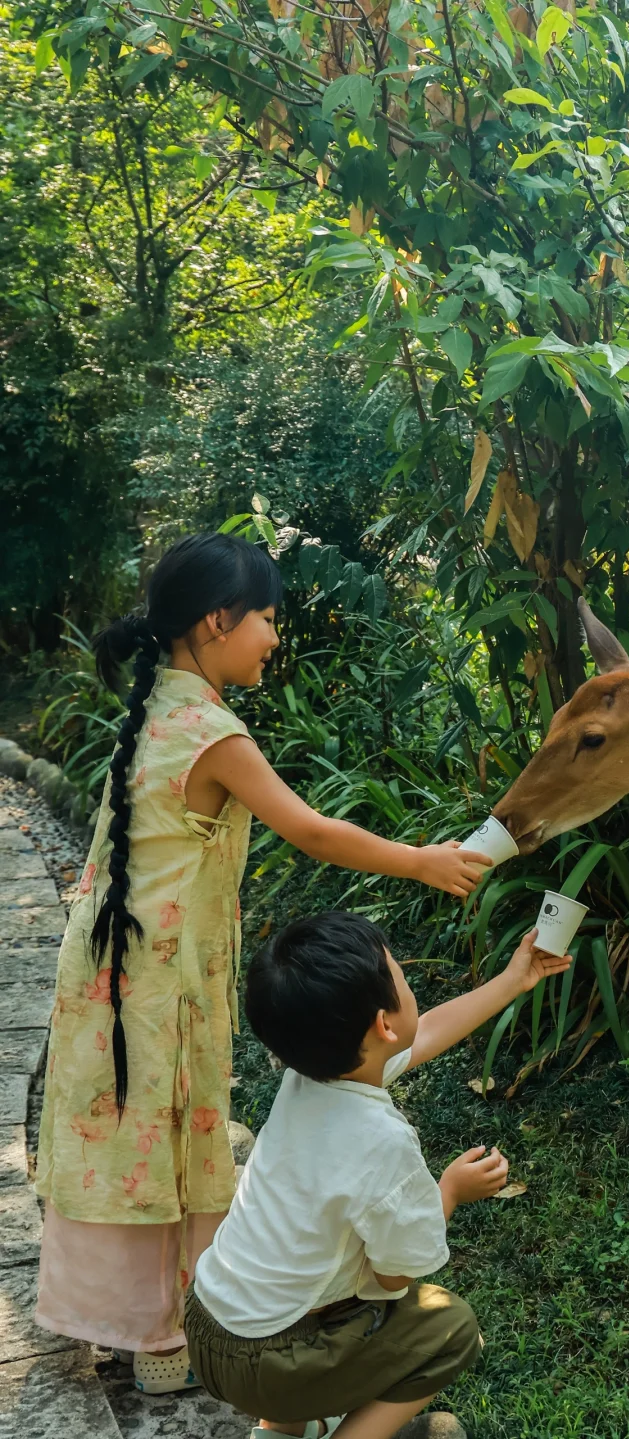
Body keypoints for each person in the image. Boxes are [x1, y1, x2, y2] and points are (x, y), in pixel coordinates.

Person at [33, 533, 491, 1395]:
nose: (275, 637)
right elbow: (312, 828)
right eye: (268, 619)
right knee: (162, 1132)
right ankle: (161, 1330)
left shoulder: (155, 710)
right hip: (159, 977)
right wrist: (423, 859)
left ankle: (117, 1319)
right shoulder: (209, 727)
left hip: (108, 965)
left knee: (122, 1133)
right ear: (216, 619)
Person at [186, 911, 570, 1439]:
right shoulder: (382, 1142)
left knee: (314, 1277)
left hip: (209, 1324)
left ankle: (279, 1432)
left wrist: (513, 977)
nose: (412, 988)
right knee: (449, 1328)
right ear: (384, 1026)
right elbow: (395, 1276)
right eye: (404, 978)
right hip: (269, 1361)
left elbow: (424, 1032)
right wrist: (450, 1191)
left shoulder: (309, 1076)